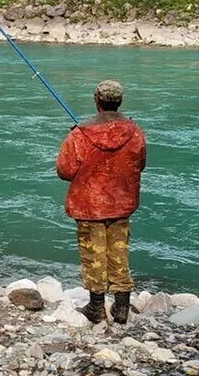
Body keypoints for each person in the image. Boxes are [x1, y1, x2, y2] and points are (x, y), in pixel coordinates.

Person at [55, 80, 147, 324]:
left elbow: (64, 171)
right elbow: (140, 164)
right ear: (119, 102)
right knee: (119, 253)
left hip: (89, 205)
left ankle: (96, 308)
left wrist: (75, 138)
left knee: (93, 254)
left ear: (96, 101)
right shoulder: (135, 131)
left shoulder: (80, 134)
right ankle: (121, 308)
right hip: (121, 203)